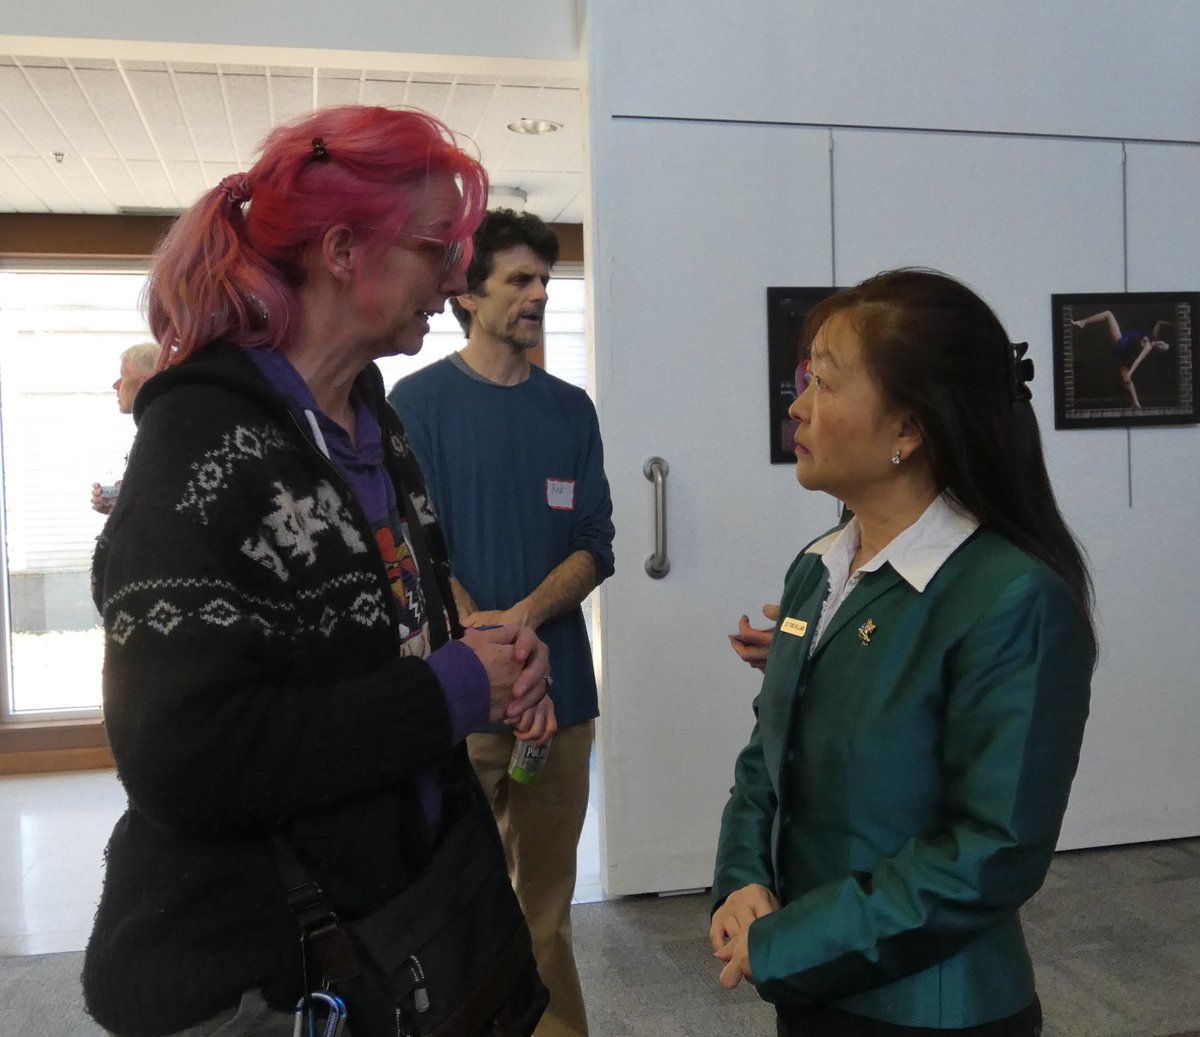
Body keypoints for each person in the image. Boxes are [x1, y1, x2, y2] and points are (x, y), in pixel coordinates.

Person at [83, 105, 555, 1037]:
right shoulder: (200, 443)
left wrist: (485, 661)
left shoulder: (371, 422)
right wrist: (451, 689)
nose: (457, 276)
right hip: (262, 965)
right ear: (345, 250)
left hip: (400, 929)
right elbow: (182, 756)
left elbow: (379, 648)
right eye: (437, 247)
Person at [710, 268, 1095, 1035]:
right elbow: (767, 754)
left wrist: (788, 938)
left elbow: (991, 850)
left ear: (909, 429)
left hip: (928, 1006)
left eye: (821, 383)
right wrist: (741, 879)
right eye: (802, 379)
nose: (798, 406)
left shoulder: (1011, 596)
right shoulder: (819, 563)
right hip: (812, 980)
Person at [387, 209, 615, 1037]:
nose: (538, 294)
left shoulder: (570, 411)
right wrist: (496, 652)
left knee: (544, 914)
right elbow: (417, 552)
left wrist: (518, 626)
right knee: (450, 906)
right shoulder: (416, 403)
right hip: (461, 707)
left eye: (545, 281)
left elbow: (596, 544)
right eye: (519, 279)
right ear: (468, 294)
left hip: (560, 709)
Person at [90, 341, 159, 514]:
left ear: (145, 381)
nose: (116, 385)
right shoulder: (151, 428)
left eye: (123, 375)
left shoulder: (161, 433)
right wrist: (118, 503)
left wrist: (127, 498)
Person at [1070, 309, 1172, 409]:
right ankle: (1136, 403)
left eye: (1162, 347)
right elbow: (1159, 322)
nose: (1161, 344)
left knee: (1108, 314)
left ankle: (1083, 322)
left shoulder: (1148, 347)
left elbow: (1138, 360)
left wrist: (1130, 373)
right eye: (1163, 343)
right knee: (1127, 380)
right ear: (1162, 340)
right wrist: (1174, 326)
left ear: (1159, 350)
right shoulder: (1153, 336)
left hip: (1122, 344)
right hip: (1124, 348)